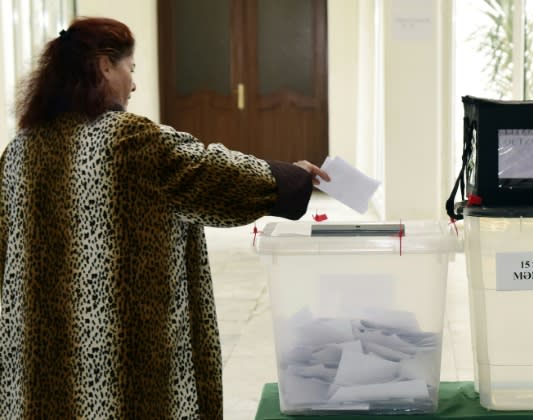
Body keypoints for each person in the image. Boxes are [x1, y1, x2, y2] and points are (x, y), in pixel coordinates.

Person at [0, 17, 329, 418]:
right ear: (105, 66)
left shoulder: (20, 151)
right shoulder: (131, 141)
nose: (133, 84)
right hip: (122, 369)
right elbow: (215, 178)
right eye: (130, 69)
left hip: (35, 368)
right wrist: (289, 177)